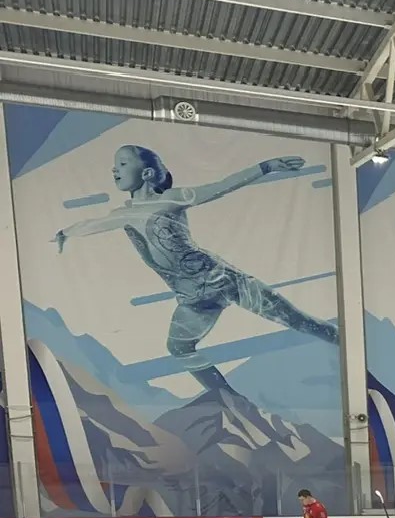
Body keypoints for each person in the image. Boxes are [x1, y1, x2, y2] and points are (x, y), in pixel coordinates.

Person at [52, 145, 337, 396]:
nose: (114, 169)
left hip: (224, 280)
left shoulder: (173, 197)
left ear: (147, 173)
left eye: (123, 163)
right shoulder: (122, 215)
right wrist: (65, 232)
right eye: (115, 165)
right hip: (192, 299)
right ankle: (230, 399)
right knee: (179, 348)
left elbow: (222, 186)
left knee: (297, 320)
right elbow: (92, 225)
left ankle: (345, 342)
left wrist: (265, 167)